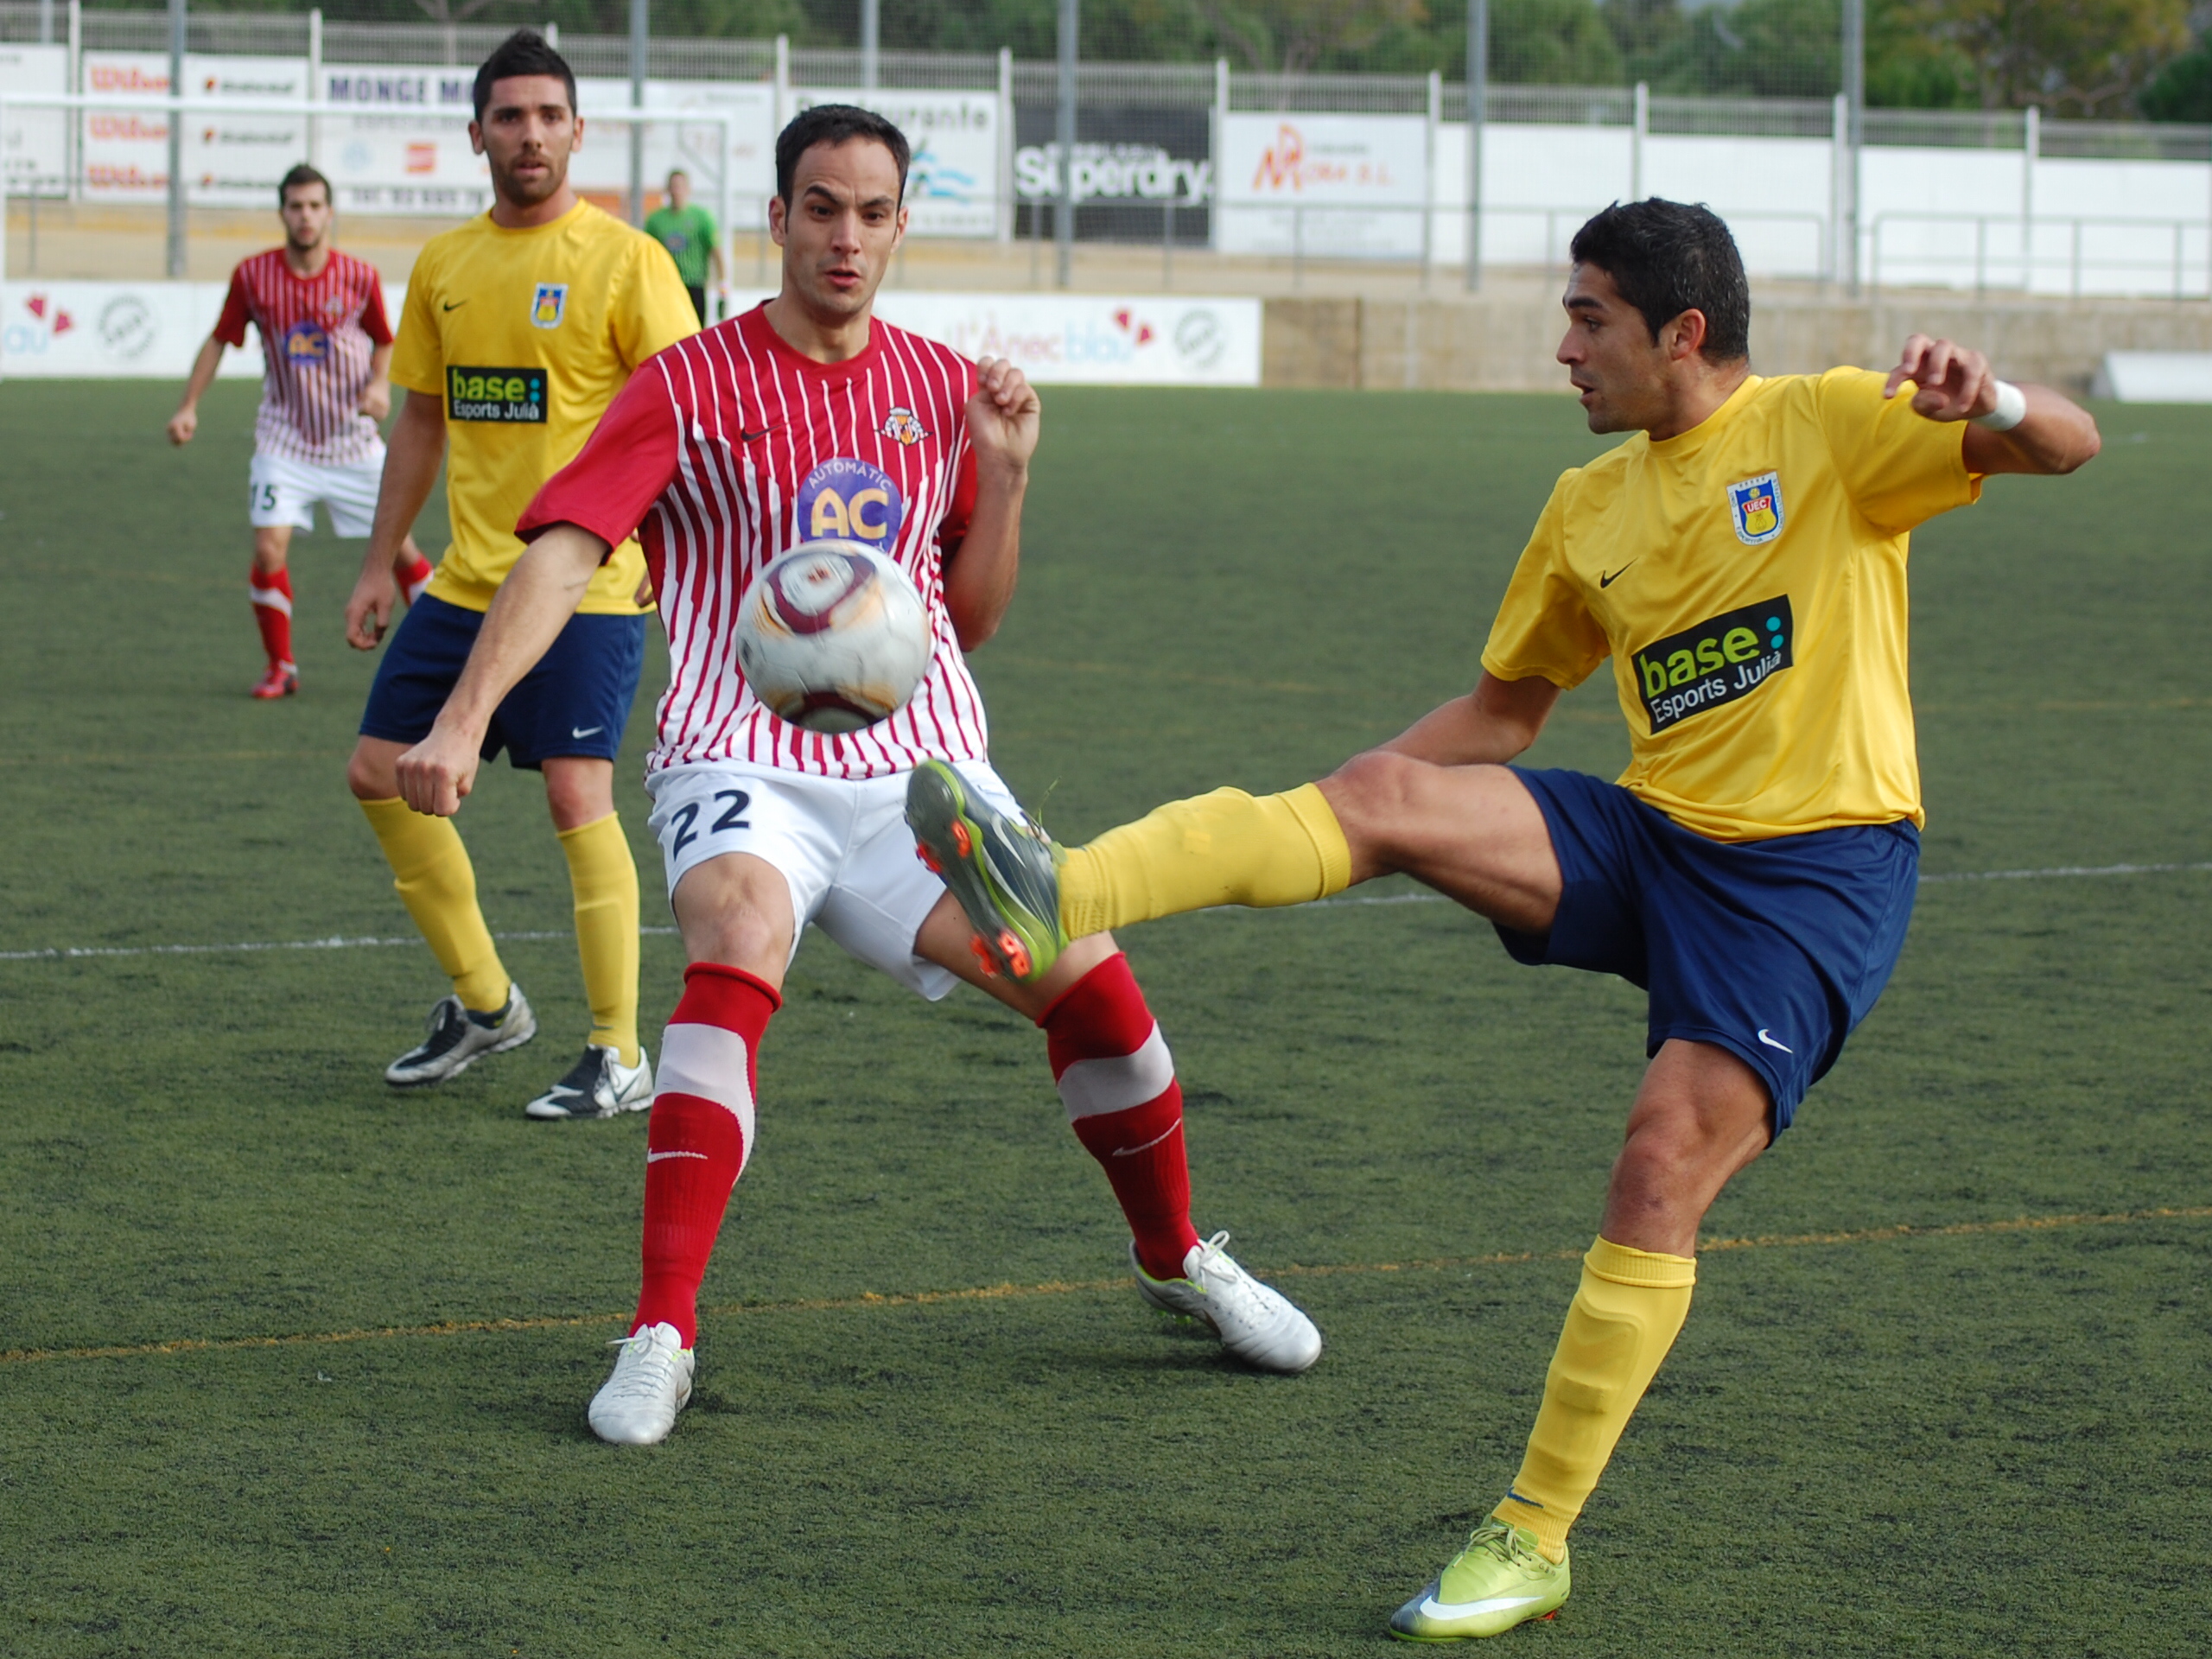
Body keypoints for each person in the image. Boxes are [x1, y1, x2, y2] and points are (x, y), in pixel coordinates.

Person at [907, 199, 2101, 1639]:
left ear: (1685, 333)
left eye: (1589, 319)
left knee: (1659, 1166)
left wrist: (2004, 398)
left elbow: (2064, 450)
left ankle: (1533, 1537)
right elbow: (1506, 715)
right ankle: (1060, 888)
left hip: (1815, 881)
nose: (1562, 349)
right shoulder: (1586, 508)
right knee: (1382, 794)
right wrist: (1370, 792)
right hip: (1655, 839)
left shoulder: (1834, 427)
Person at [389, 103, 1325, 1447]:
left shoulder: (945, 388)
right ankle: (663, 1327)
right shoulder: (689, 384)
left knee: (1096, 989)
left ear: (899, 226)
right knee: (735, 929)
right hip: (740, 754)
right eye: (818, 207)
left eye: (870, 212)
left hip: (920, 773)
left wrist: (1003, 482)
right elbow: (562, 549)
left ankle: (1175, 1259)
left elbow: (972, 616)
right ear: (776, 219)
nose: (844, 236)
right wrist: (466, 718)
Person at [342, 30, 698, 1119]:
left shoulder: (629, 261)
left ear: (578, 131)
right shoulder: (445, 265)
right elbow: (418, 421)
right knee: (374, 770)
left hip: (587, 581)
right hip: (460, 583)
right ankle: (487, 1004)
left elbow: (692, 418)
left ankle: (617, 1052)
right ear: (478, 135)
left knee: (573, 790)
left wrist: (665, 552)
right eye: (510, 117)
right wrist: (374, 561)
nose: (531, 134)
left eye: (549, 116)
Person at [166, 162, 433, 700]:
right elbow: (220, 339)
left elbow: (385, 338)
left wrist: (380, 385)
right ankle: (280, 667)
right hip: (284, 440)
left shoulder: (358, 276)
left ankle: (446, 660)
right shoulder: (253, 276)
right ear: (282, 213)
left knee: (400, 550)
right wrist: (189, 404)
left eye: (314, 206)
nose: (305, 216)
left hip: (352, 441)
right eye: (296, 206)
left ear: (329, 212)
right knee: (269, 549)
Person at [643, 168, 722, 323]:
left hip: (694, 284)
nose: (676, 191)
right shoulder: (655, 220)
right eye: (673, 186)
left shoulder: (702, 218)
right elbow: (645, 254)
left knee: (695, 333)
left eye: (680, 186)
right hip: (667, 285)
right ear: (667, 189)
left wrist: (723, 287)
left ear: (688, 189)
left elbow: (716, 251)